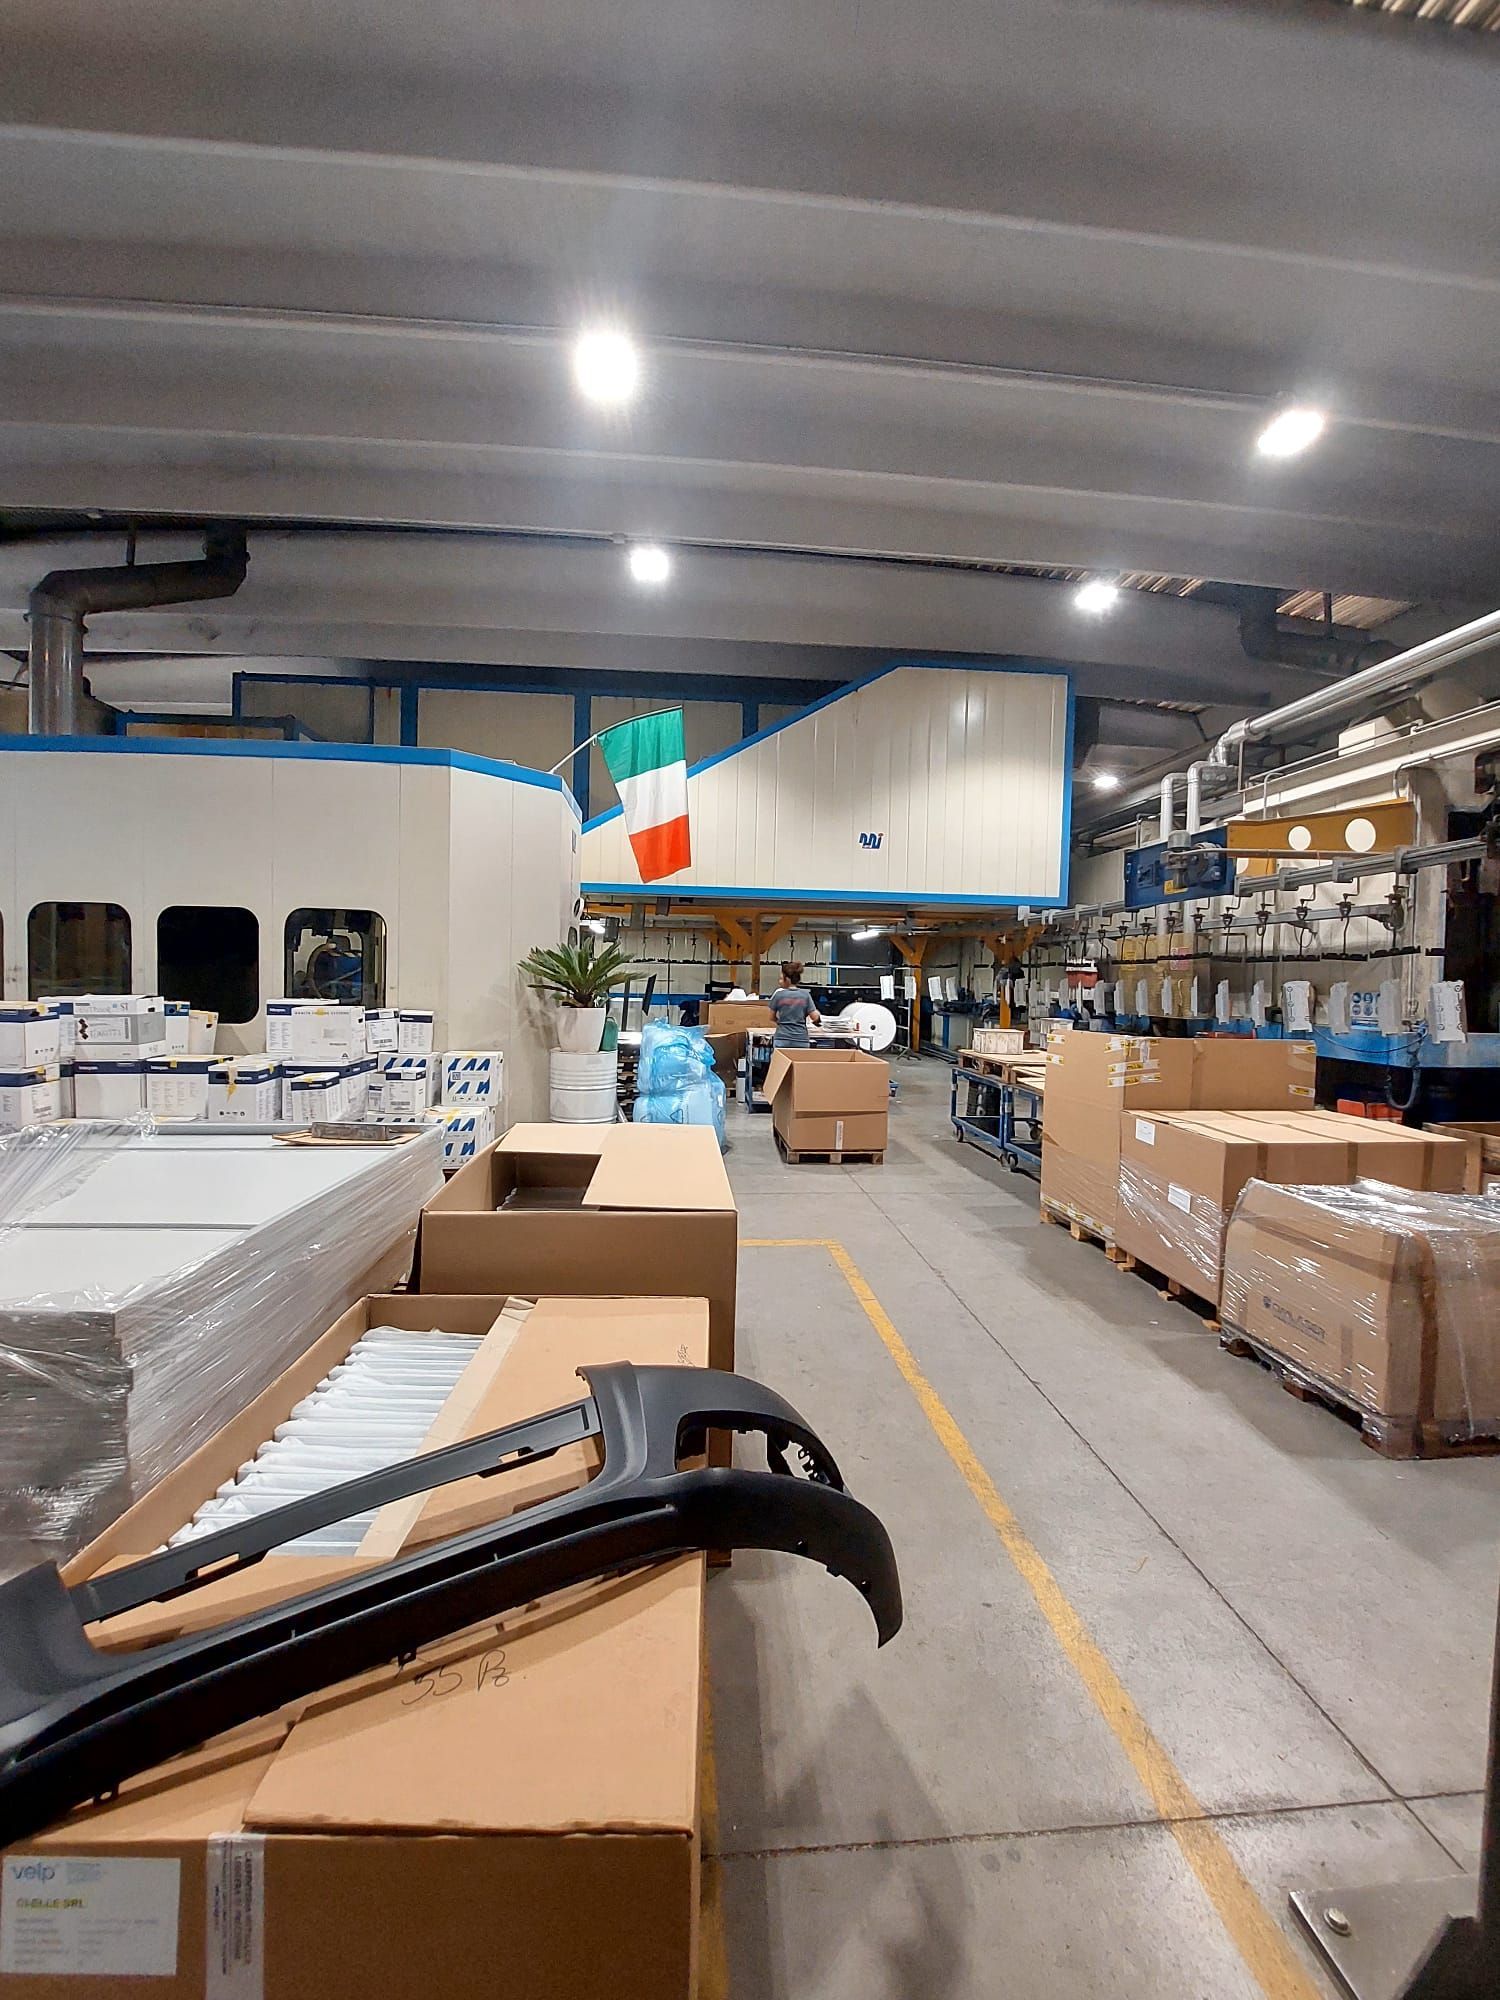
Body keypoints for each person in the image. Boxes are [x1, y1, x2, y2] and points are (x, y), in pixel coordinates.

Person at [769, 960, 821, 1048]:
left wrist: (781, 1023)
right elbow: (815, 1017)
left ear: (787, 979)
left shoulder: (778, 995)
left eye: (781, 978)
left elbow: (771, 1017)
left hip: (782, 1038)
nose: (779, 981)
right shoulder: (805, 995)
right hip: (801, 1039)